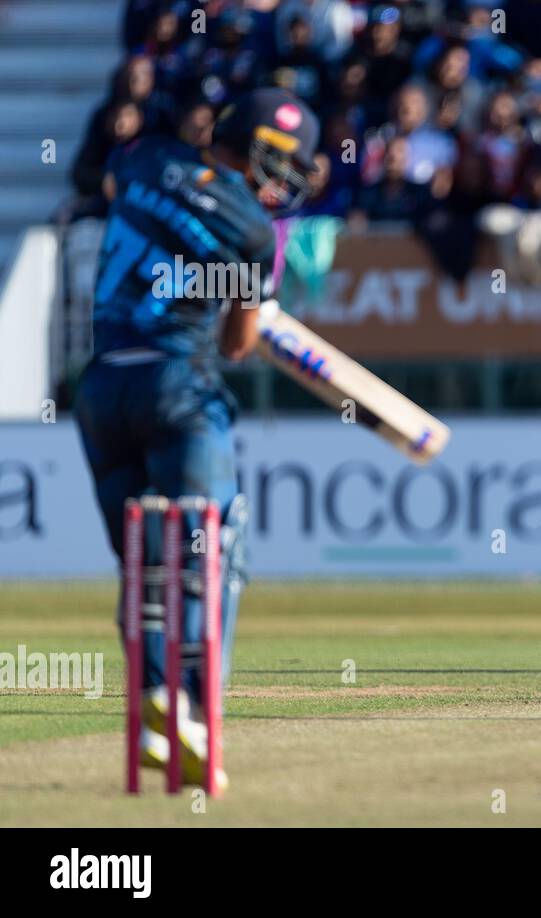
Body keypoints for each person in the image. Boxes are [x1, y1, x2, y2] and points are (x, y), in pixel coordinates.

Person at [75, 88, 320, 788]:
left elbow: (119, 184)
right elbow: (240, 343)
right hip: (178, 390)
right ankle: (194, 714)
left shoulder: (143, 159)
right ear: (266, 153)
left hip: (99, 389)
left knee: (142, 559)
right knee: (212, 549)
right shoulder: (251, 230)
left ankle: (156, 699)